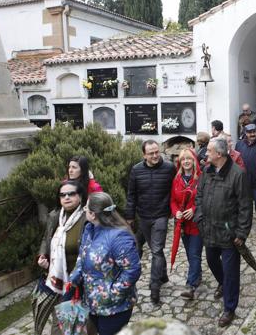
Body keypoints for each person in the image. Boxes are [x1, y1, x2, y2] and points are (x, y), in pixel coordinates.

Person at [195, 137, 252, 328]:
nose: (205, 154)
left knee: (231, 272)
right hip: (209, 229)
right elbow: (200, 195)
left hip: (229, 233)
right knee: (212, 262)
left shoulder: (238, 174)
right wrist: (200, 217)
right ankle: (225, 284)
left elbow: (245, 206)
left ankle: (229, 308)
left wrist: (241, 233)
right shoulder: (206, 171)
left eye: (209, 151)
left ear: (219, 154)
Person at [68, 192, 141, 335]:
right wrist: (74, 278)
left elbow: (132, 270)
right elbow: (82, 256)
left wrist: (111, 294)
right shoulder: (89, 229)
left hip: (114, 308)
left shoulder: (119, 236)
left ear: (93, 214)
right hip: (91, 302)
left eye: (85, 208)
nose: (84, 210)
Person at [125, 140, 175, 304]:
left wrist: (173, 210)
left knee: (156, 249)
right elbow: (131, 195)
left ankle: (155, 287)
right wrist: (130, 217)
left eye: (156, 152)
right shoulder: (136, 170)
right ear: (144, 155)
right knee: (155, 248)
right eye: (151, 153)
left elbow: (176, 190)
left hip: (161, 215)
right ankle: (164, 274)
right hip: (144, 216)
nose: (155, 155)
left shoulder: (169, 168)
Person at [36, 180, 87, 335]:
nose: (67, 197)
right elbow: (47, 238)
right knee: (59, 325)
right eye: (62, 195)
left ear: (80, 196)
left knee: (80, 325)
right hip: (57, 280)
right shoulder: (55, 217)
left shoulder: (87, 218)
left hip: (80, 283)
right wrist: (42, 255)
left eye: (71, 193)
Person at [170, 148, 203, 300]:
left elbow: (204, 199)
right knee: (191, 254)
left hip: (196, 224)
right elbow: (173, 200)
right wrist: (176, 211)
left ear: (194, 160)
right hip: (182, 224)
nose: (186, 162)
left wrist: (194, 209)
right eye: (183, 160)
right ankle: (197, 275)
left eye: (188, 159)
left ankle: (191, 286)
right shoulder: (177, 179)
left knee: (194, 253)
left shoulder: (201, 178)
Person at [235, 124, 256, 221]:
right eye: (250, 132)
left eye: (254, 132)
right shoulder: (239, 144)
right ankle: (247, 216)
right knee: (245, 199)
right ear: (245, 133)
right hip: (243, 177)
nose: (252, 134)